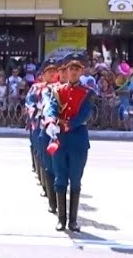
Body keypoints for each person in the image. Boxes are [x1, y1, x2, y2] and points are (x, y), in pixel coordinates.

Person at [42, 54, 95, 233]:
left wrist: (66, 125)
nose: (72, 72)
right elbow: (50, 107)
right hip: (60, 140)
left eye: (76, 69)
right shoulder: (56, 90)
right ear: (66, 70)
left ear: (81, 71)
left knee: (76, 180)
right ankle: (61, 219)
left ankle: (73, 221)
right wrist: (50, 122)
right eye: (70, 68)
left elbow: (85, 115)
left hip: (78, 139)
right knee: (60, 179)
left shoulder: (88, 92)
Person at [27, 59, 60, 214]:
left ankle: (56, 193)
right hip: (40, 126)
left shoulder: (60, 88)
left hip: (59, 129)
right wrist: (38, 113)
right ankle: (48, 190)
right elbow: (30, 105)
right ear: (43, 74)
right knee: (43, 157)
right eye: (49, 72)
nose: (53, 74)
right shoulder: (37, 88)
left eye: (55, 71)